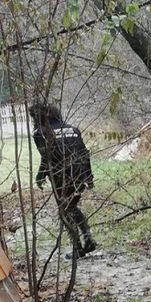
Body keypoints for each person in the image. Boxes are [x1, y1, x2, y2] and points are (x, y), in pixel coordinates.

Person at [29, 102, 97, 257]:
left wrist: (40, 175)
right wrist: (89, 176)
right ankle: (88, 239)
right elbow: (84, 153)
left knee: (65, 210)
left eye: (32, 117)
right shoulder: (73, 130)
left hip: (61, 176)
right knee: (72, 207)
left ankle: (78, 247)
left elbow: (46, 157)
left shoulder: (40, 133)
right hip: (79, 173)